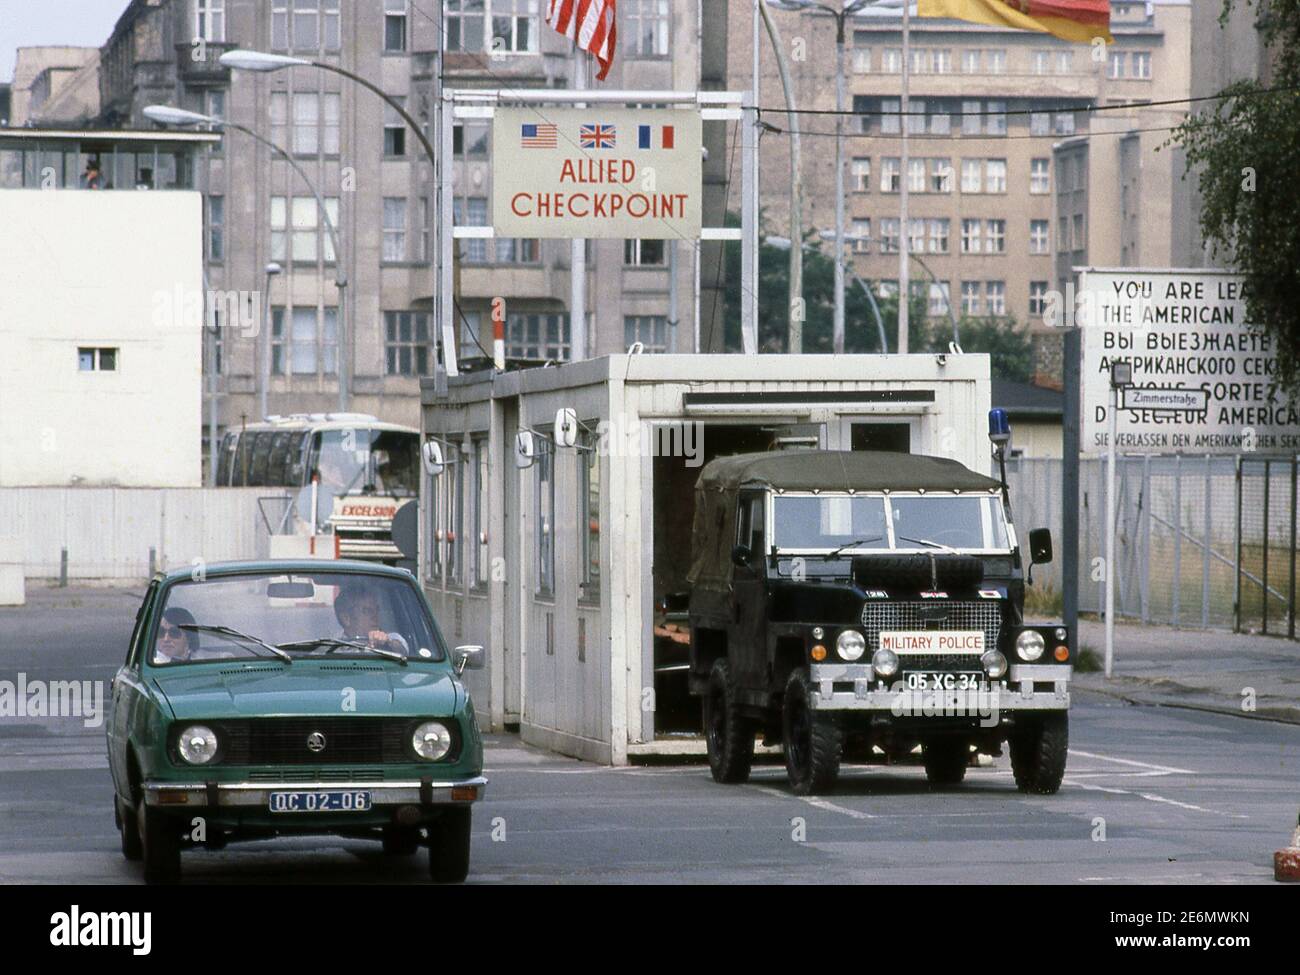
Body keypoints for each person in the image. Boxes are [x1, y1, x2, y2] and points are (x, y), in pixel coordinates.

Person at [333, 584, 408, 654]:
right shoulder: (332, 646)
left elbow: (403, 653)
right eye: (367, 611)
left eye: (377, 610)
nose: (375, 616)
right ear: (346, 618)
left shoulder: (391, 638)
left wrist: (387, 643)